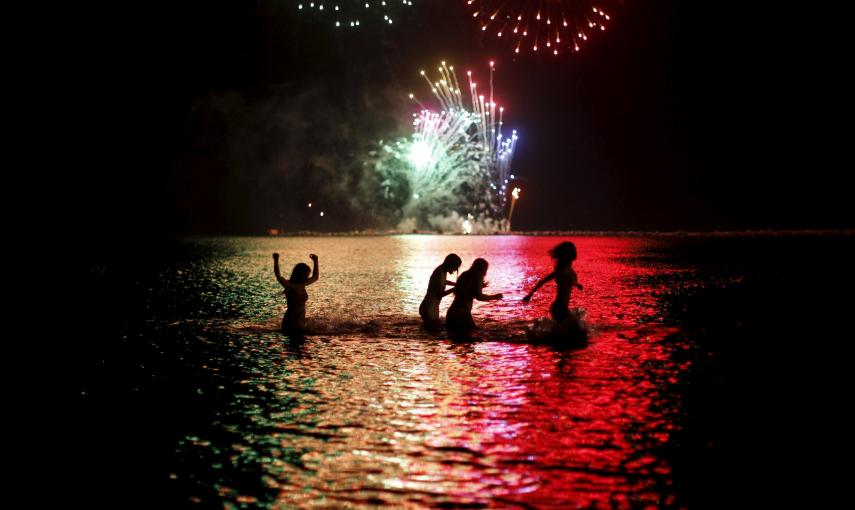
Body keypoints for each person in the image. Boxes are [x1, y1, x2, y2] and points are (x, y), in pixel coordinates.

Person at [522, 241, 583, 322]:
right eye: (573, 250)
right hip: (559, 307)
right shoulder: (562, 269)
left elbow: (566, 282)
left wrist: (577, 284)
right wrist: (530, 294)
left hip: (563, 307)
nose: (575, 252)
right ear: (568, 253)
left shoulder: (569, 269)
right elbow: (543, 281)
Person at [446, 258, 502, 334]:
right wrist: (494, 297)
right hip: (463, 313)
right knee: (473, 338)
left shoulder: (464, 274)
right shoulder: (479, 276)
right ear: (483, 268)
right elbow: (479, 297)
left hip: (452, 311)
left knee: (454, 340)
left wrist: (479, 286)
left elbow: (465, 290)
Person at [273, 252, 319, 335]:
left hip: (300, 320)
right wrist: (276, 260)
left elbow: (315, 277)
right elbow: (278, 276)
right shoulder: (290, 285)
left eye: (308, 275)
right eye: (306, 275)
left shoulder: (303, 284)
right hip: (291, 321)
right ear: (299, 274)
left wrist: (316, 261)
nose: (307, 277)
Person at [419, 254, 462, 329]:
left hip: (431, 306)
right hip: (429, 308)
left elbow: (443, 281)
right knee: (433, 334)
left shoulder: (441, 270)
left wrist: (456, 284)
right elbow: (439, 294)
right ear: (451, 264)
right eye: (455, 267)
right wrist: (456, 288)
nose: (455, 270)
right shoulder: (439, 272)